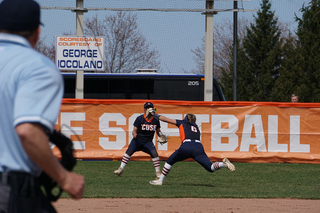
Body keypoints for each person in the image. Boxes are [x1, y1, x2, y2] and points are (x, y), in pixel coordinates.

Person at [0, 0, 85, 212]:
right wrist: (64, 178)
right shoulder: (37, 67)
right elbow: (27, 131)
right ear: (37, 33)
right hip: (10, 190)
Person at [148, 112, 235, 186]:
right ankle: (223, 164)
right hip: (198, 147)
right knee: (210, 167)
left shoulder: (182, 122)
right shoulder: (196, 127)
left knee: (170, 160)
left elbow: (165, 119)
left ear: (186, 119)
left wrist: (154, 114)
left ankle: (160, 181)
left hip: (187, 146)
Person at [114, 102, 163, 179]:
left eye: (150, 108)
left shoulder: (156, 120)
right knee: (128, 152)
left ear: (153, 110)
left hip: (147, 142)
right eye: (147, 108)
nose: (148, 110)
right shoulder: (140, 118)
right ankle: (121, 169)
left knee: (155, 154)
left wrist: (161, 136)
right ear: (144, 109)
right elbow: (134, 130)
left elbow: (158, 131)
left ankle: (158, 172)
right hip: (137, 141)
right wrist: (134, 134)